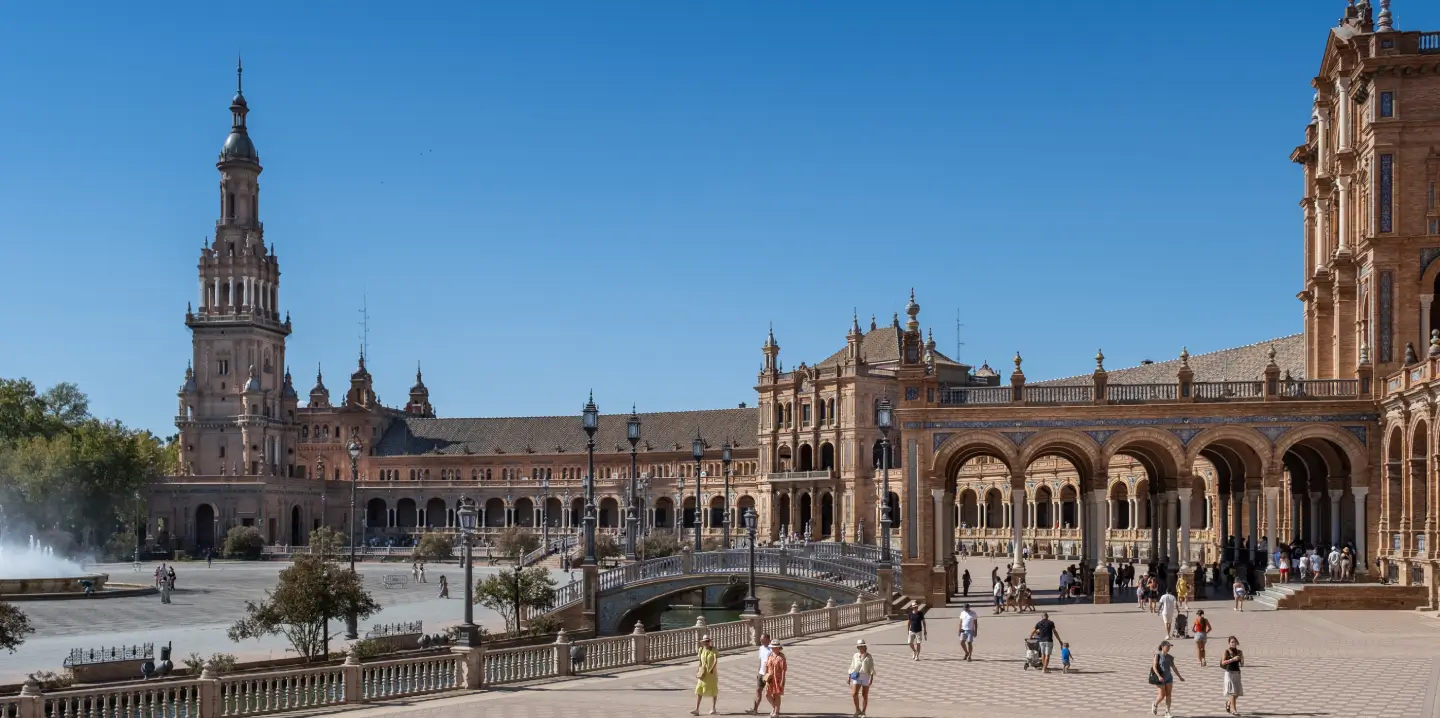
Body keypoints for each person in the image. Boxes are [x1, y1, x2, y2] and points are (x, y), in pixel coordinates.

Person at [1149, 640, 1184, 717]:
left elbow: (1174, 668)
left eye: (1169, 647)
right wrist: (1159, 676)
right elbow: (1154, 667)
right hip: (1160, 678)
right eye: (1167, 646)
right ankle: (1155, 704)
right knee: (1162, 695)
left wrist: (1180, 677)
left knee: (1169, 695)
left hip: (1169, 678)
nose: (1168, 648)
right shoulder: (1157, 656)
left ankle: (1167, 712)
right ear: (1162, 647)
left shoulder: (1170, 657)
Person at [692, 635, 718, 716]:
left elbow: (715, 660)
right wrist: (698, 670)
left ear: (710, 642)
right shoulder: (701, 650)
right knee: (699, 690)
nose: (706, 643)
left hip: (711, 674)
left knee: (713, 690)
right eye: (705, 642)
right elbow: (700, 661)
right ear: (703, 643)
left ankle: (713, 708)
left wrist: (712, 668)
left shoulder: (713, 649)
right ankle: (697, 709)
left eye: (708, 641)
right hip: (703, 673)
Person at [848, 639, 875, 718]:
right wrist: (849, 677)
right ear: (858, 647)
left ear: (865, 646)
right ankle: (857, 710)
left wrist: (871, 678)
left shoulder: (869, 656)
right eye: (859, 646)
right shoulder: (855, 655)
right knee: (854, 694)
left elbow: (871, 667)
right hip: (856, 675)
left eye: (862, 646)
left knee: (864, 694)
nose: (861, 647)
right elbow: (852, 666)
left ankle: (863, 712)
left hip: (865, 676)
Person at [748, 634, 773, 716]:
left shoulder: (772, 649)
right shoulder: (761, 648)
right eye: (761, 638)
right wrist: (758, 672)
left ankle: (775, 708)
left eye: (763, 638)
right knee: (758, 691)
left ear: (768, 639)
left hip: (768, 674)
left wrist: (769, 674)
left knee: (769, 693)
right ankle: (755, 709)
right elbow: (761, 661)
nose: (761, 640)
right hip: (761, 673)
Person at [1221, 636, 1244, 715]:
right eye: (1231, 642)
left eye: (1234, 642)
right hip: (1229, 673)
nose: (1233, 643)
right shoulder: (1226, 651)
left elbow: (1242, 664)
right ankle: (1233, 710)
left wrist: (1241, 659)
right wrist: (1232, 659)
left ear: (1237, 642)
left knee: (1237, 693)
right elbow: (1223, 662)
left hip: (1237, 672)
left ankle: (1228, 702)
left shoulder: (1239, 651)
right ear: (1229, 643)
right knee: (1233, 692)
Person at [763, 642, 787, 718]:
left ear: (778, 648)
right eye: (772, 647)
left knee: (776, 695)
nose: (773, 648)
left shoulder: (781, 657)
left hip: (778, 678)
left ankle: (776, 711)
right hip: (770, 678)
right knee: (767, 694)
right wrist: (765, 675)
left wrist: (782, 680)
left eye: (775, 647)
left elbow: (783, 669)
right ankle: (775, 707)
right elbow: (766, 665)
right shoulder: (770, 655)